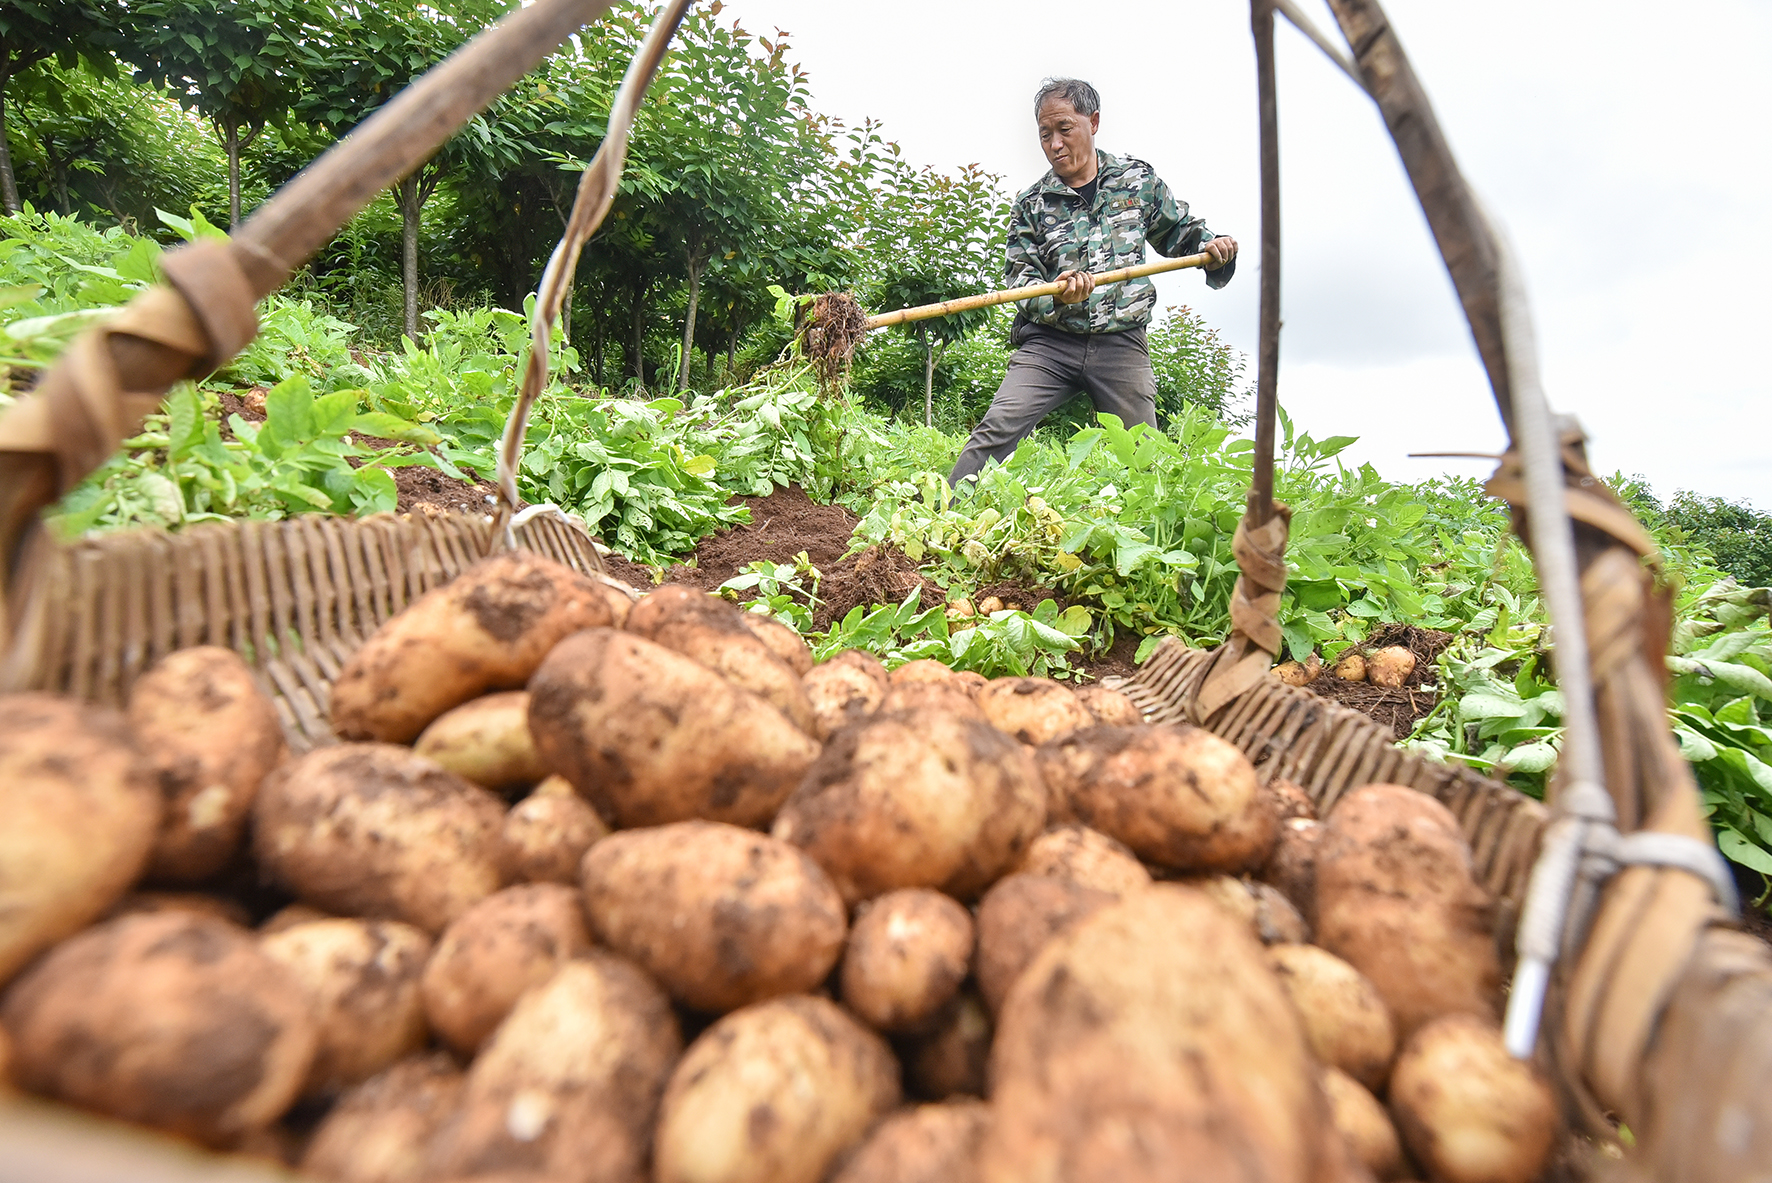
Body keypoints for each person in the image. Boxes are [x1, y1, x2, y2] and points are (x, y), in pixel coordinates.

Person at [947, 77, 1239, 488]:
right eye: (1045, 134)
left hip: (1122, 343)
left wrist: (1214, 247)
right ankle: (941, 519)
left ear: (1093, 121)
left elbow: (1181, 234)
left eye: (1064, 129)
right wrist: (1057, 297)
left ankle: (1152, 543)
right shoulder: (1032, 204)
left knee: (1144, 455)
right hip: (1050, 344)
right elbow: (1019, 278)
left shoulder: (1137, 182)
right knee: (996, 429)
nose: (1055, 144)